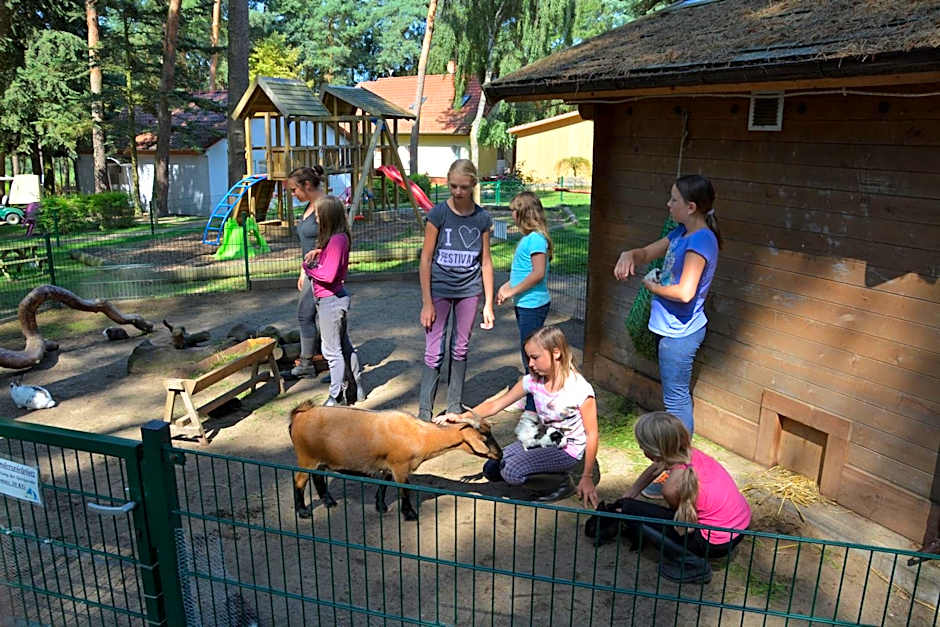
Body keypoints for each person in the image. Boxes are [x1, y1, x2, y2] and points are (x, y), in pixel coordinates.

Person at [613, 174, 721, 497]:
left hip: (680, 334)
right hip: (672, 330)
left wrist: (651, 285)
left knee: (676, 403)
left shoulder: (700, 240)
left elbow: (686, 292)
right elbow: (646, 252)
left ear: (690, 206)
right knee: (675, 399)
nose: (668, 204)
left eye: (674, 199)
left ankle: (679, 470)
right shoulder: (680, 233)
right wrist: (629, 255)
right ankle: (678, 465)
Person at [435, 326, 599, 507]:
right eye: (528, 357)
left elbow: (592, 434)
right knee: (492, 468)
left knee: (511, 472)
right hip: (546, 438)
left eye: (535, 357)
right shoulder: (533, 381)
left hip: (568, 449)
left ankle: (561, 483)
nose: (530, 363)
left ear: (556, 353)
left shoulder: (579, 390)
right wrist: (462, 417)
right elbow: (495, 404)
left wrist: (587, 476)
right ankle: (544, 471)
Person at [418, 159, 495, 421]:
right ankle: (424, 414)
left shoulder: (482, 218)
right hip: (439, 289)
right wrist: (427, 302)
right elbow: (426, 259)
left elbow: (485, 261)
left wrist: (487, 303)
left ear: (473, 184)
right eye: (453, 186)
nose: (458, 192)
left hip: (468, 291)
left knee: (460, 348)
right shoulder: (438, 214)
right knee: (434, 349)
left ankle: (454, 407)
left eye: (463, 187)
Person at [616, 411, 750, 559]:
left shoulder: (671, 488)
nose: (642, 451)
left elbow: (678, 518)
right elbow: (656, 466)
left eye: (642, 447)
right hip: (739, 528)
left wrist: (626, 504)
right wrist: (630, 493)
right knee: (630, 504)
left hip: (714, 544)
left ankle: (691, 563)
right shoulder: (688, 453)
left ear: (652, 451)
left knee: (631, 509)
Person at [303, 195, 365, 406]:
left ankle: (335, 396)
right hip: (333, 299)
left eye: (319, 216)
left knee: (331, 351)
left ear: (328, 217)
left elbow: (328, 275)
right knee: (344, 346)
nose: (317, 220)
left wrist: (308, 268)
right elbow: (331, 261)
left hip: (330, 300)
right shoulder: (337, 238)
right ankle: (356, 389)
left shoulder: (337, 240)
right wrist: (319, 253)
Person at [496, 191, 552, 416]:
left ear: (524, 213)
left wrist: (512, 291)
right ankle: (533, 398)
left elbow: (538, 273)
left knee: (532, 356)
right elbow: (523, 272)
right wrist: (506, 286)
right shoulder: (529, 239)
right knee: (529, 354)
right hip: (525, 303)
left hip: (533, 304)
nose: (512, 215)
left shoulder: (536, 239)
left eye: (514, 211)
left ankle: (533, 404)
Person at [287, 166, 325, 378]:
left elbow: (331, 242)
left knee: (321, 319)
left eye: (294, 190)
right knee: (306, 316)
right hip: (309, 272)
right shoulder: (310, 206)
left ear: (307, 185)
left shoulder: (324, 207)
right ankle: (309, 362)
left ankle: (310, 363)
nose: (293, 195)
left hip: (322, 274)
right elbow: (308, 243)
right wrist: (303, 272)